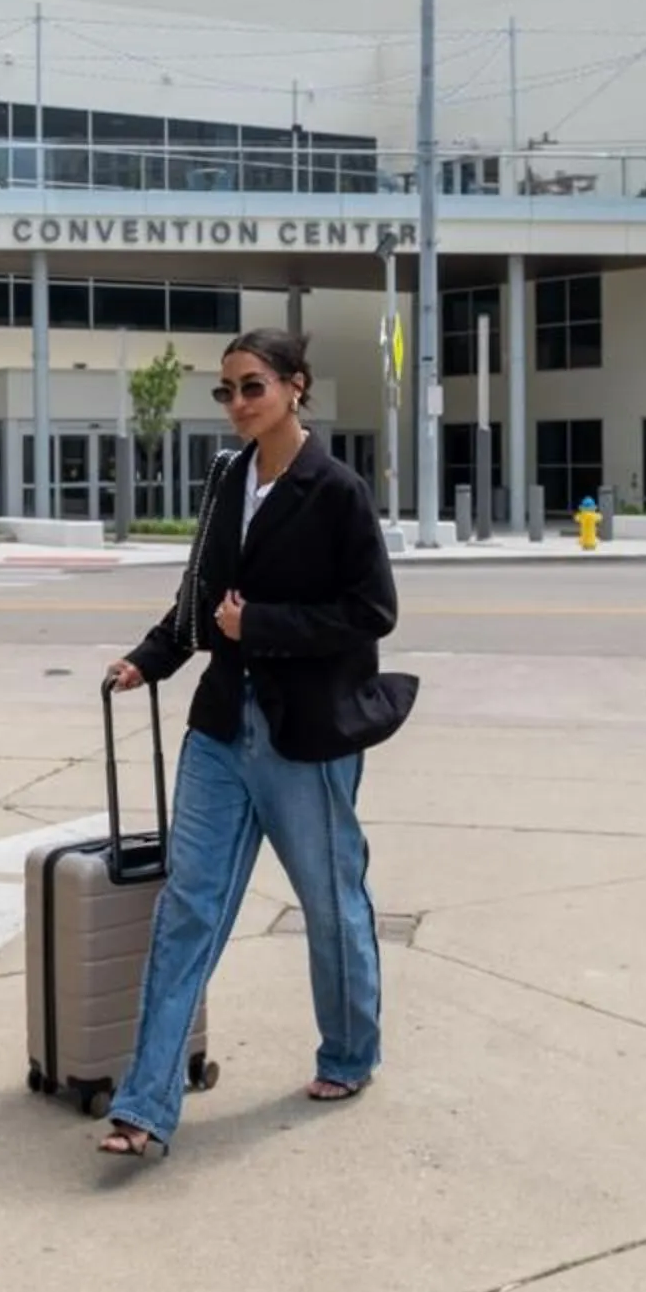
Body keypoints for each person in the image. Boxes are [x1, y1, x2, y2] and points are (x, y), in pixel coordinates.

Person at [94, 326, 411, 1159]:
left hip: (304, 736)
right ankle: (144, 1104)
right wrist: (148, 659)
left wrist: (262, 625)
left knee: (331, 907)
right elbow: (201, 596)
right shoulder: (228, 480)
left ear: (295, 387)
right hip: (222, 728)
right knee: (188, 909)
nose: (236, 404)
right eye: (226, 390)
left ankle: (349, 1051)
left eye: (252, 387)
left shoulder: (334, 489)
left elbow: (373, 613)